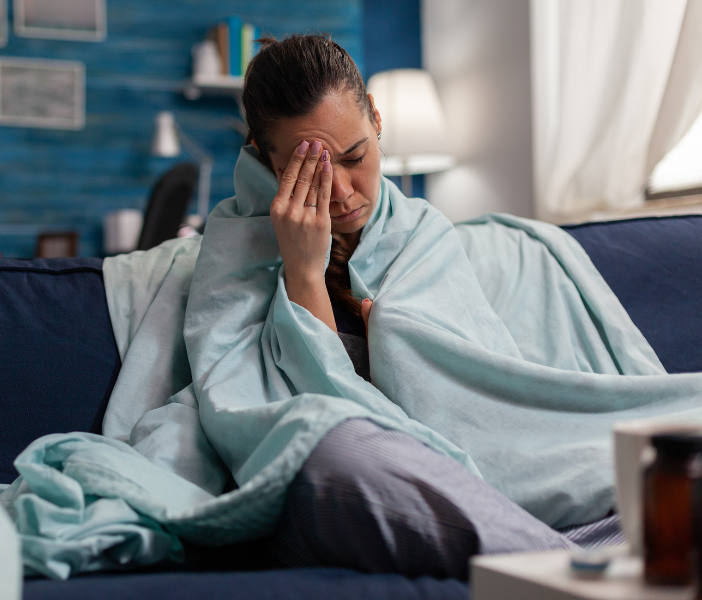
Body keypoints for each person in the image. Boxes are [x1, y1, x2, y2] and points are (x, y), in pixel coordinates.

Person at [237, 34, 622, 578]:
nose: (344, 192)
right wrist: (303, 271)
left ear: (375, 118)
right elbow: (310, 410)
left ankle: (584, 566)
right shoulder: (237, 256)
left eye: (355, 157)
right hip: (373, 464)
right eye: (311, 174)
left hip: (481, 468)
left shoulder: (421, 234)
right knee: (343, 456)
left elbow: (482, 392)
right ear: (262, 157)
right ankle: (577, 570)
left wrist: (400, 340)